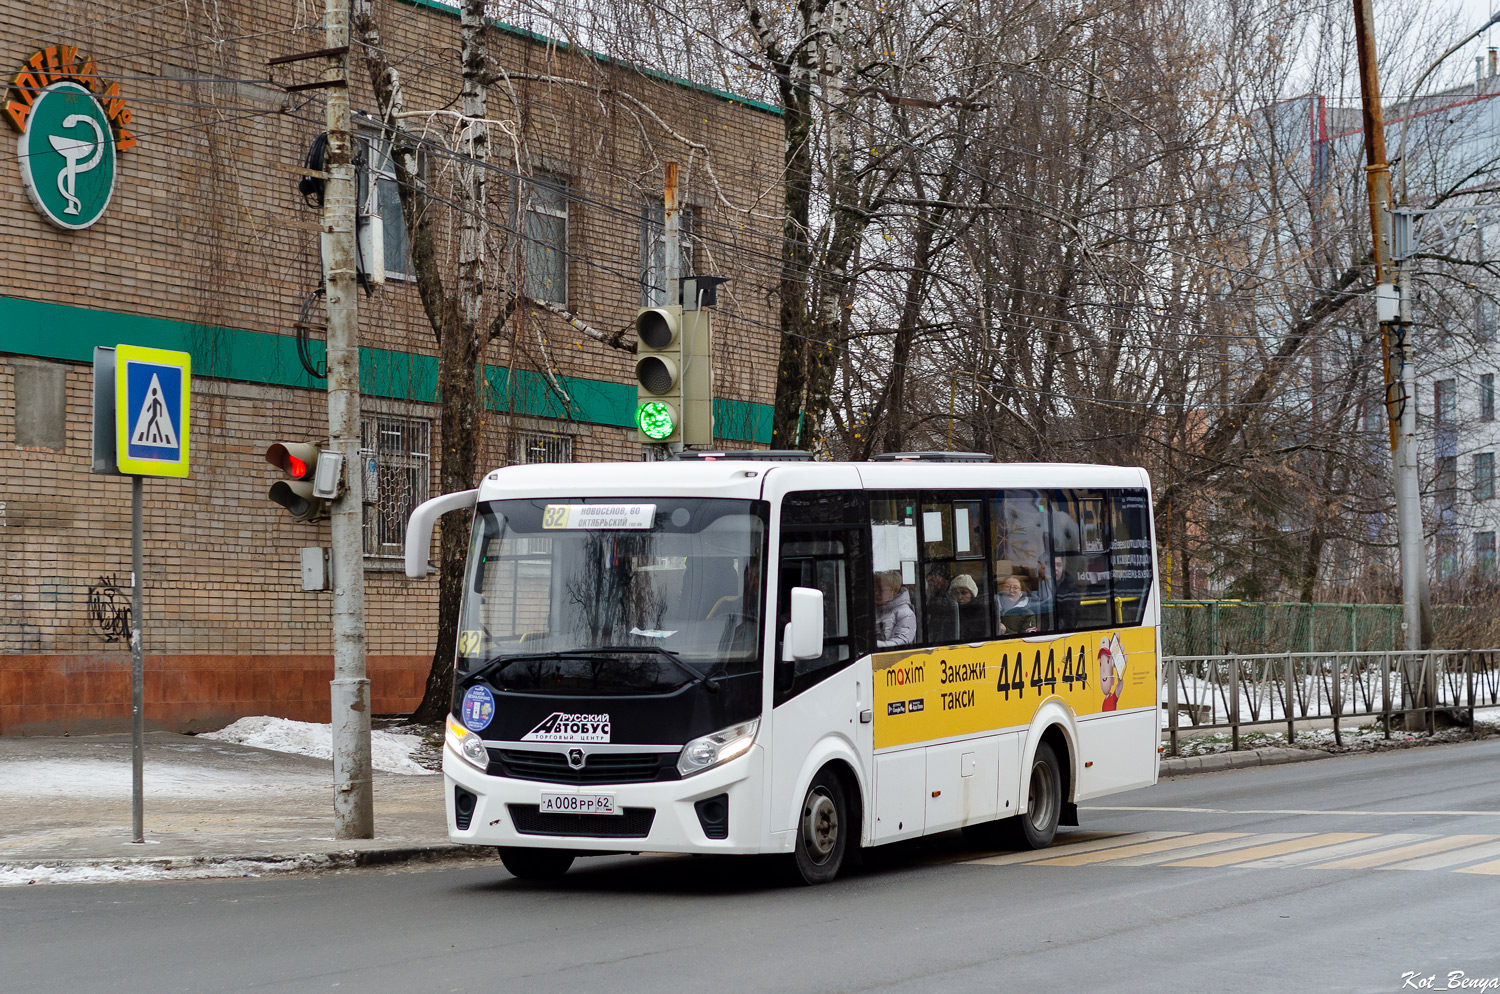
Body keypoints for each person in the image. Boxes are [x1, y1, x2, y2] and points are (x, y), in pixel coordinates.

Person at [874, 569, 916, 648]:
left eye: (881, 589)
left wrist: (874, 645)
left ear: (894, 591)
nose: (876, 593)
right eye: (874, 589)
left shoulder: (905, 613)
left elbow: (902, 642)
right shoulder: (872, 611)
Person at [947, 573, 987, 641]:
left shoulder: (982, 612)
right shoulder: (948, 613)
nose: (959, 597)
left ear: (972, 594)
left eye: (964, 593)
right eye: (956, 593)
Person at [923, 566, 958, 644]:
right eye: (928, 575)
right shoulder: (933, 595)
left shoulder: (945, 599)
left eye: (934, 575)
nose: (929, 578)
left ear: (943, 579)